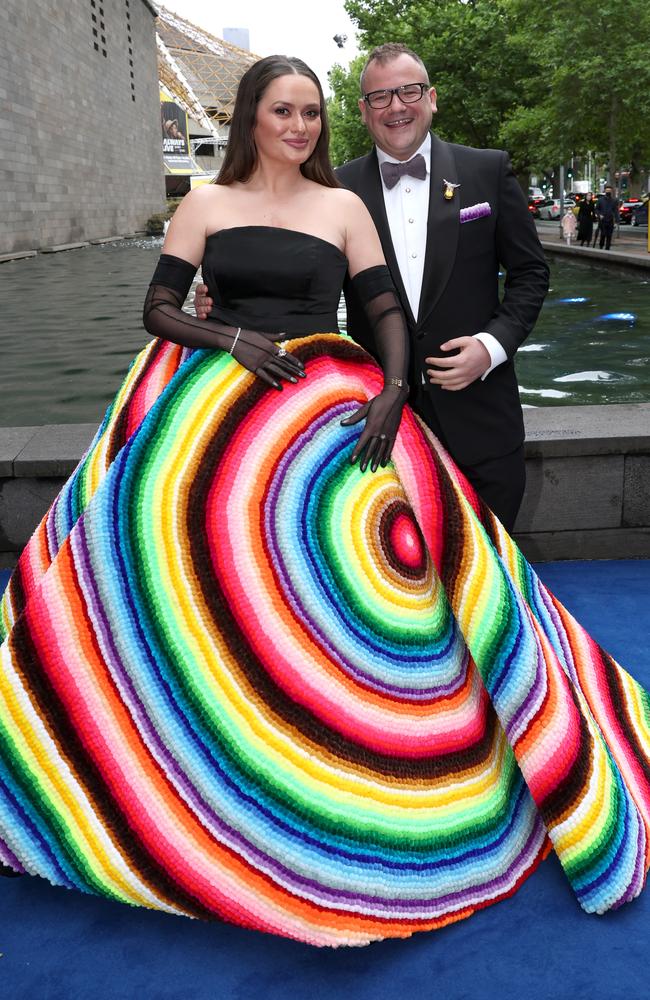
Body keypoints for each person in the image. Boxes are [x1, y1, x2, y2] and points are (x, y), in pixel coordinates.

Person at [1, 55, 649, 949]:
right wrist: (230, 335)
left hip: (324, 409)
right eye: (283, 111)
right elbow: (157, 308)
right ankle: (195, 750)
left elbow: (382, 306)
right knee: (186, 578)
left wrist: (389, 388)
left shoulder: (344, 206)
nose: (300, 126)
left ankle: (345, 760)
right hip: (216, 407)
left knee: (360, 590)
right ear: (251, 119)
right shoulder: (203, 203)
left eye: (311, 112)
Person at [194, 43, 549, 531]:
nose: (397, 106)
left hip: (481, 417)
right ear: (363, 111)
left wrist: (491, 348)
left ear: (432, 97)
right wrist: (224, 298)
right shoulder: (332, 192)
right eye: (380, 96)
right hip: (372, 423)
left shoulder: (487, 170)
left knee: (493, 567)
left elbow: (531, 275)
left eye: (409, 91)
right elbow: (299, 285)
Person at [597, 184, 619, 250]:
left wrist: (617, 221)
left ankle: (607, 248)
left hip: (610, 220)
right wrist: (599, 214)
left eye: (609, 191)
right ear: (605, 191)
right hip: (602, 221)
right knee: (603, 234)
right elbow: (596, 209)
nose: (608, 192)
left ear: (611, 191)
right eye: (607, 190)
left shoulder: (614, 201)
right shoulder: (600, 200)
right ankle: (601, 246)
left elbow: (616, 211)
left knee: (609, 235)